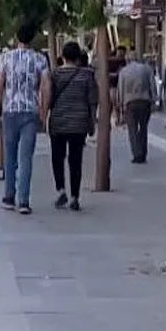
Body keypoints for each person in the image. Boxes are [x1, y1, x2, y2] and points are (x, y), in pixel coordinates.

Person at [0, 23, 51, 215]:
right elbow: (45, 87)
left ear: (17, 38)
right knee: (26, 157)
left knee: (10, 156)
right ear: (32, 39)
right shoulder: (40, 60)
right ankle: (24, 201)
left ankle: (9, 197)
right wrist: (44, 111)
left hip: (10, 111)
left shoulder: (5, 58)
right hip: (30, 112)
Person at [45, 42, 98, 211]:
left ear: (63, 56)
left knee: (57, 158)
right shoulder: (87, 75)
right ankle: (75, 196)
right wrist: (92, 122)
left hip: (58, 122)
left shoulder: (55, 74)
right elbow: (92, 101)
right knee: (76, 160)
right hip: (79, 123)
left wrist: (44, 116)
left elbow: (49, 97)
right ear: (77, 58)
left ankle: (61, 190)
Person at [119, 52, 157, 164]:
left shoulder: (124, 71)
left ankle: (137, 154)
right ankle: (143, 152)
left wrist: (121, 104)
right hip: (145, 101)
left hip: (130, 102)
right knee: (143, 128)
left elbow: (121, 89)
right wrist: (154, 99)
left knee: (132, 130)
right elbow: (152, 84)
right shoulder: (147, 69)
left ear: (128, 59)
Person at [109, 46, 127, 126]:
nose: (120, 55)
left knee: (122, 102)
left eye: (122, 53)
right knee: (115, 102)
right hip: (114, 85)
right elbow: (107, 73)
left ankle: (122, 118)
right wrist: (116, 74)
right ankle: (118, 118)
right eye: (119, 52)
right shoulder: (111, 61)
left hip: (124, 85)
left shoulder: (125, 61)